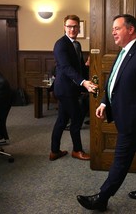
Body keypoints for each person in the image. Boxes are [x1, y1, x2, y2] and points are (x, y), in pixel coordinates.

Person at [76, 14, 136, 211]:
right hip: (124, 114)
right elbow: (113, 81)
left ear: (130, 29)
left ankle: (102, 197)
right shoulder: (123, 52)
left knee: (121, 160)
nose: (113, 32)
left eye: (117, 28)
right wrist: (105, 103)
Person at [50, 15, 97, 161]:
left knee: (62, 120)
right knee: (76, 118)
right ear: (64, 27)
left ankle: (54, 151)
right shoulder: (61, 44)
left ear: (79, 28)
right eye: (69, 26)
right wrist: (83, 82)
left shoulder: (76, 44)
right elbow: (65, 67)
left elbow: (78, 65)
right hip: (64, 89)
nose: (72, 29)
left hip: (71, 89)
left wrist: (86, 67)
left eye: (75, 27)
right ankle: (77, 150)